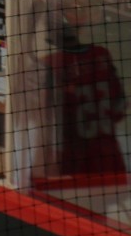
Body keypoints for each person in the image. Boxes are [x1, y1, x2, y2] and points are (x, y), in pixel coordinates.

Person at [43, 23, 127, 177]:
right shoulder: (101, 54)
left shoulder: (51, 64)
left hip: (74, 159)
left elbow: (44, 116)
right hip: (109, 154)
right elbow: (120, 106)